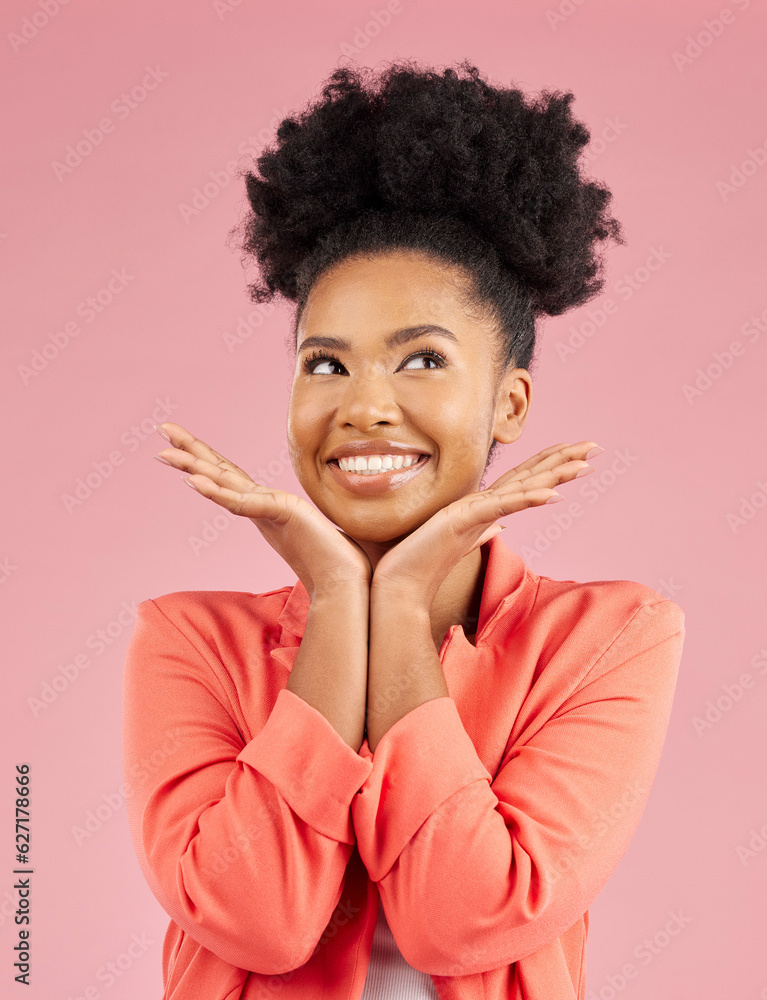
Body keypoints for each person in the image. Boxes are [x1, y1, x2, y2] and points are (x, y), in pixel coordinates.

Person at [122, 59, 686, 1000]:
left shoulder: (608, 638)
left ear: (508, 403)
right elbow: (257, 921)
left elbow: (458, 920)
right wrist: (346, 599)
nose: (365, 408)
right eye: (327, 366)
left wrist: (406, 602)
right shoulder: (187, 640)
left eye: (421, 359)